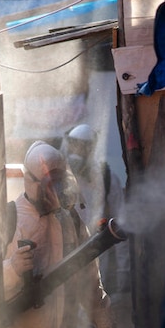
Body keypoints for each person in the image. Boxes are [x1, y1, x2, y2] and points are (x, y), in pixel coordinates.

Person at [3, 141, 117, 328]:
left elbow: (89, 280)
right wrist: (12, 268)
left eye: (59, 180)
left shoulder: (71, 222)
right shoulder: (9, 220)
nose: (55, 191)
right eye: (48, 182)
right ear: (30, 182)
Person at [63, 124, 129, 293]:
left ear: (91, 148)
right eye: (73, 144)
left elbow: (120, 222)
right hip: (66, 251)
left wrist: (123, 273)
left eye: (81, 146)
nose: (76, 151)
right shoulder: (60, 177)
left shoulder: (106, 178)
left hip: (97, 252)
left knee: (97, 298)